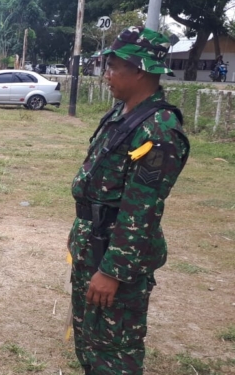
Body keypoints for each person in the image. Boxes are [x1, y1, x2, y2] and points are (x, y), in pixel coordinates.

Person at [68, 26, 189, 375]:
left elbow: (142, 209)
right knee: (89, 339)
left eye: (112, 67)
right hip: (93, 243)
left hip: (116, 256)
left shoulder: (159, 129)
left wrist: (112, 271)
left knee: (115, 350)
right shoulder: (123, 113)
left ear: (139, 69)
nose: (107, 74)